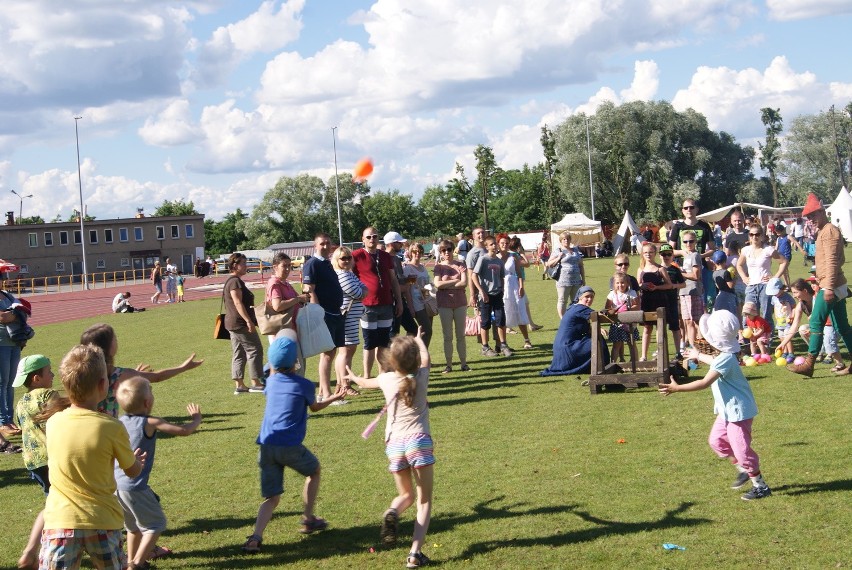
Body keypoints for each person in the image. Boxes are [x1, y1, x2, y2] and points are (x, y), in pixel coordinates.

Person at [40, 344, 146, 569]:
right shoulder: (111, 426)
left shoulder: (53, 422)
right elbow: (131, 470)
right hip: (102, 521)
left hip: (60, 522)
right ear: (102, 385)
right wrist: (138, 462)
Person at [242, 336, 343, 554]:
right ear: (295, 361)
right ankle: (307, 519)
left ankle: (255, 538)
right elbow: (315, 407)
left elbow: (271, 373)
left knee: (272, 498)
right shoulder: (304, 385)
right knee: (314, 471)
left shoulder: (271, 383)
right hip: (288, 445)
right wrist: (334, 397)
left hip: (267, 445)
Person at [659, 310, 772, 501]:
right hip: (726, 411)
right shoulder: (725, 356)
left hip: (738, 412)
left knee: (743, 451)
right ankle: (743, 468)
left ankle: (760, 485)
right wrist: (698, 354)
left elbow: (704, 382)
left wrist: (677, 388)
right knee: (716, 441)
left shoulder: (726, 358)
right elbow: (714, 361)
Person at [345, 331, 435, 569]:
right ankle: (415, 554)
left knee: (406, 495)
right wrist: (418, 340)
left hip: (394, 444)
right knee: (423, 501)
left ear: (391, 360)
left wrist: (352, 375)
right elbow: (426, 357)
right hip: (419, 441)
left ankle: (393, 510)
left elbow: (364, 383)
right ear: (415, 359)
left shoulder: (386, 379)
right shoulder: (422, 375)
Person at [114, 377, 202, 569]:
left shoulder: (119, 421)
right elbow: (183, 431)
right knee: (155, 524)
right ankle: (136, 564)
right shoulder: (150, 422)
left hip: (116, 487)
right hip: (134, 487)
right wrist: (196, 420)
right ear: (147, 402)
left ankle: (131, 560)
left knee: (133, 527)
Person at [79, 323, 202, 422]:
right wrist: (183, 367)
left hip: (85, 424)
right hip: (108, 428)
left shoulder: (81, 372)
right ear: (108, 348)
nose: (117, 340)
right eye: (114, 338)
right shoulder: (119, 374)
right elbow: (157, 377)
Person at [789, 193, 852, 376]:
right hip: (833, 283)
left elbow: (833, 261)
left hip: (831, 285)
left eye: (814, 215)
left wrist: (829, 287)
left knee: (816, 321)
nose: (811, 219)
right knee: (843, 326)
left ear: (822, 211)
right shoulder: (824, 231)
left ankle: (809, 364)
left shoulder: (829, 231)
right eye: (809, 217)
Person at [14, 354, 60, 569]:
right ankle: (34, 550)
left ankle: (33, 550)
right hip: (51, 457)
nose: (52, 374)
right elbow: (60, 421)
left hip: (32, 461)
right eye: (49, 371)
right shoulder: (48, 394)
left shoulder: (21, 402)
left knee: (53, 501)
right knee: (54, 505)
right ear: (36, 378)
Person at [352, 227, 404, 378]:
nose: (371, 239)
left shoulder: (385, 256)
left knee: (383, 342)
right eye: (368, 237)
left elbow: (393, 279)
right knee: (369, 343)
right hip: (367, 306)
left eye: (374, 236)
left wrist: (399, 301)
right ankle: (367, 376)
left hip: (386, 303)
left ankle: (382, 375)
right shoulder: (356, 256)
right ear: (363, 239)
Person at [302, 233, 347, 402]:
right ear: (315, 246)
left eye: (328, 243)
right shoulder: (312, 264)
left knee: (332, 352)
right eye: (322, 243)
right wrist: (318, 312)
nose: (326, 246)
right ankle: (326, 394)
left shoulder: (327, 263)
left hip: (336, 312)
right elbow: (309, 289)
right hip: (325, 314)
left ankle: (322, 392)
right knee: (327, 354)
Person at [541, 286, 609, 376]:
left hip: (561, 348)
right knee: (598, 341)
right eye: (587, 297)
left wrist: (598, 329)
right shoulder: (580, 308)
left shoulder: (573, 307)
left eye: (592, 297)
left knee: (594, 338)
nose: (590, 299)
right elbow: (598, 316)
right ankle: (602, 367)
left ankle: (597, 366)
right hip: (567, 347)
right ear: (580, 297)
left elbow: (585, 327)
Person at [223, 253, 265, 394]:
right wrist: (248, 320)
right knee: (255, 349)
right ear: (235, 265)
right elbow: (237, 302)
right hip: (239, 323)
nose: (246, 266)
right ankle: (256, 382)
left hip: (232, 323)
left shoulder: (231, 281)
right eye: (243, 263)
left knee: (239, 352)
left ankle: (239, 385)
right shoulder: (235, 282)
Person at [735, 223, 788, 334]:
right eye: (751, 234)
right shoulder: (746, 250)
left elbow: (784, 262)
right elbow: (739, 265)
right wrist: (744, 277)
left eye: (757, 234)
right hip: (751, 286)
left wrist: (774, 278)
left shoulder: (768, 249)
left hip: (765, 287)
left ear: (762, 236)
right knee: (748, 313)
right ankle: (750, 341)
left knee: (765, 314)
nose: (754, 237)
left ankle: (767, 340)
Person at [332, 246, 367, 397]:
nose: (346, 261)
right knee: (345, 351)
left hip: (352, 316)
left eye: (348, 258)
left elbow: (364, 289)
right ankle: (343, 384)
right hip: (346, 316)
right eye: (342, 258)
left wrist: (362, 292)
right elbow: (359, 292)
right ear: (336, 260)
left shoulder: (349, 274)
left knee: (348, 350)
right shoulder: (342, 275)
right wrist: (362, 292)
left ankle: (344, 382)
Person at [670, 199, 716, 309]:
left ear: (697, 209)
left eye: (691, 207)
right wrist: (681, 252)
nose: (688, 210)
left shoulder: (704, 226)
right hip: (681, 268)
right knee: (681, 304)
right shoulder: (678, 227)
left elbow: (713, 249)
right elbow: (669, 250)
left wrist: (700, 256)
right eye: (686, 208)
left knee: (701, 302)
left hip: (700, 268)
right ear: (682, 210)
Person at [433, 239, 469, 373]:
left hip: (460, 303)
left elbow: (464, 283)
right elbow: (437, 284)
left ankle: (464, 364)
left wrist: (446, 285)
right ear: (440, 252)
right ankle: (449, 365)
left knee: (461, 335)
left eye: (449, 249)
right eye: (443, 250)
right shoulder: (438, 267)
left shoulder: (460, 264)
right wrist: (455, 281)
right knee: (447, 336)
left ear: (453, 250)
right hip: (444, 304)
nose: (446, 252)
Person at [472, 236, 511, 357]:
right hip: (486, 296)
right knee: (486, 322)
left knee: (501, 320)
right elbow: (474, 276)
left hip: (497, 294)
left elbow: (501, 276)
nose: (494, 246)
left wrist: (502, 289)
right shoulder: (483, 259)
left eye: (495, 244)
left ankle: (503, 345)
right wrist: (481, 291)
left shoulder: (499, 261)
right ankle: (485, 347)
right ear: (486, 247)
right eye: (491, 244)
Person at [636, 242, 673, 361]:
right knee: (647, 328)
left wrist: (657, 287)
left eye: (651, 252)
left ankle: (660, 352)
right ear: (642, 253)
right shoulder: (640, 269)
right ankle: (643, 356)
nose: (648, 254)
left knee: (659, 328)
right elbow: (637, 286)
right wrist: (643, 286)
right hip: (646, 301)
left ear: (655, 253)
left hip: (659, 300)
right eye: (646, 252)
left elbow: (669, 285)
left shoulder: (660, 268)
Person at [265, 252, 309, 344]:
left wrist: (303, 298)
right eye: (284, 266)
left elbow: (298, 301)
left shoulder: (285, 283)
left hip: (290, 330)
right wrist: (298, 299)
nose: (288, 269)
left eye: (289, 265)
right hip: (281, 333)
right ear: (275, 267)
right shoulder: (275, 284)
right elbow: (277, 306)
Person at [498, 234, 532, 349]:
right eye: (502, 243)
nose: (504, 245)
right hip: (501, 287)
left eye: (506, 243)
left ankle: (527, 340)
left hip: (514, 285)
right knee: (503, 313)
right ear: (498, 244)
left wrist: (521, 286)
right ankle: (503, 343)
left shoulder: (513, 256)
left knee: (520, 310)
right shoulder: (495, 257)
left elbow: (519, 272)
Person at [385, 231, 418, 337]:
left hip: (400, 300)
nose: (401, 244)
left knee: (413, 330)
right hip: (391, 302)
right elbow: (390, 286)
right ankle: (395, 353)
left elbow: (402, 281)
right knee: (392, 334)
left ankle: (404, 352)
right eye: (399, 242)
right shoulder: (384, 259)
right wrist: (405, 286)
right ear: (391, 243)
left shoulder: (397, 259)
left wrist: (410, 280)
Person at [545, 232, 585, 318]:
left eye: (568, 239)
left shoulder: (575, 250)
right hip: (563, 280)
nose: (566, 240)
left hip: (577, 280)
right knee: (562, 300)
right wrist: (559, 257)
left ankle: (575, 318)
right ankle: (563, 319)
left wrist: (583, 279)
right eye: (564, 239)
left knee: (576, 300)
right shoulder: (558, 250)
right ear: (561, 241)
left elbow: (581, 265)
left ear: (570, 240)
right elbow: (549, 264)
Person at [0, 290, 24, 438]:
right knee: (2, 383)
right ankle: (3, 422)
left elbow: (23, 311)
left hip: (14, 342)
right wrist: (17, 315)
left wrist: (15, 315)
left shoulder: (7, 295)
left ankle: (10, 419)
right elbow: (3, 317)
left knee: (11, 383)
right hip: (1, 344)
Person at [403, 243, 434, 347]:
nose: (418, 254)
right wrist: (411, 307)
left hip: (427, 302)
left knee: (426, 332)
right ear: (411, 253)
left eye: (420, 252)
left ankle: (422, 358)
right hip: (417, 304)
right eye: (415, 251)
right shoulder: (409, 269)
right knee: (426, 331)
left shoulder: (423, 268)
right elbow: (407, 289)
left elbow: (426, 284)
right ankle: (420, 358)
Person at [678, 230, 704, 351]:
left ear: (695, 241)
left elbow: (695, 276)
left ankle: (702, 346)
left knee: (696, 321)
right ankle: (693, 348)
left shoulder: (695, 255)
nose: (688, 244)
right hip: (684, 291)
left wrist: (681, 273)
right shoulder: (687, 255)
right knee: (687, 321)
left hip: (693, 291)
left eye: (691, 241)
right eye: (685, 241)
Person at [605, 274, 639, 362]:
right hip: (617, 323)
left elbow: (638, 306)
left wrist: (628, 308)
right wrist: (614, 310)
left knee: (631, 343)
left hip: (630, 323)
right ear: (614, 284)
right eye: (618, 283)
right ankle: (613, 363)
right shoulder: (612, 294)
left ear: (627, 283)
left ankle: (635, 362)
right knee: (617, 344)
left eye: (623, 283)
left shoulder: (632, 293)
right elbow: (607, 308)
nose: (620, 285)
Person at [659, 244, 685, 358]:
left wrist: (673, 286)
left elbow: (683, 284)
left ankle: (678, 351)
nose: (666, 256)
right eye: (664, 254)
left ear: (672, 255)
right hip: (659, 302)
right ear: (660, 255)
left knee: (675, 327)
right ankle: (661, 351)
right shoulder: (657, 269)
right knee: (660, 327)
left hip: (672, 301)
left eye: (669, 254)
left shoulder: (675, 269)